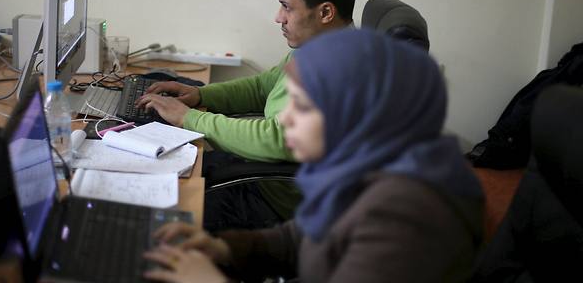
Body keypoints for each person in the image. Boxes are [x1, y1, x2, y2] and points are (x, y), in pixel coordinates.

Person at [142, 29, 485, 283]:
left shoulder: (407, 219)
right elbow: (300, 238)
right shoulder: (364, 171)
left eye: (302, 108)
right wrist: (225, 249)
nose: (286, 119)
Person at [136, 0, 357, 230]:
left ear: (325, 12)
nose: (279, 18)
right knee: (159, 171)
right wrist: (201, 96)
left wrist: (189, 118)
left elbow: (280, 139)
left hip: (276, 207)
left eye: (287, 7)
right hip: (262, 176)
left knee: (159, 216)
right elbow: (262, 87)